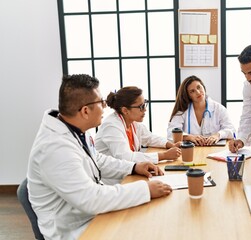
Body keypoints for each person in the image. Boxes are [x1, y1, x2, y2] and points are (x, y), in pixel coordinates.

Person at [27, 74, 172, 240]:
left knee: (147, 220)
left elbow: (98, 160)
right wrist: (144, 189)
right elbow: (91, 199)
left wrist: (133, 167)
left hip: (89, 214)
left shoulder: (75, 130)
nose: (105, 106)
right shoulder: (53, 148)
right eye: (101, 102)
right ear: (85, 111)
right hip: (74, 229)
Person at [95, 86, 181, 184]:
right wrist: (164, 155)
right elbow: (125, 157)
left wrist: (170, 145)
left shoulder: (131, 122)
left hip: (129, 175)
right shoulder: (111, 126)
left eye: (145, 104)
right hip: (112, 182)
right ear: (125, 110)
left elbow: (149, 137)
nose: (145, 110)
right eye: (141, 107)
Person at [168, 75, 236, 146]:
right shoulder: (182, 111)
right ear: (188, 96)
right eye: (192, 91)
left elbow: (231, 130)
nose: (198, 92)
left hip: (215, 149)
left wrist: (218, 135)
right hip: (190, 150)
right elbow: (171, 133)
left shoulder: (218, 108)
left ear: (203, 87)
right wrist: (189, 137)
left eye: (199, 87)